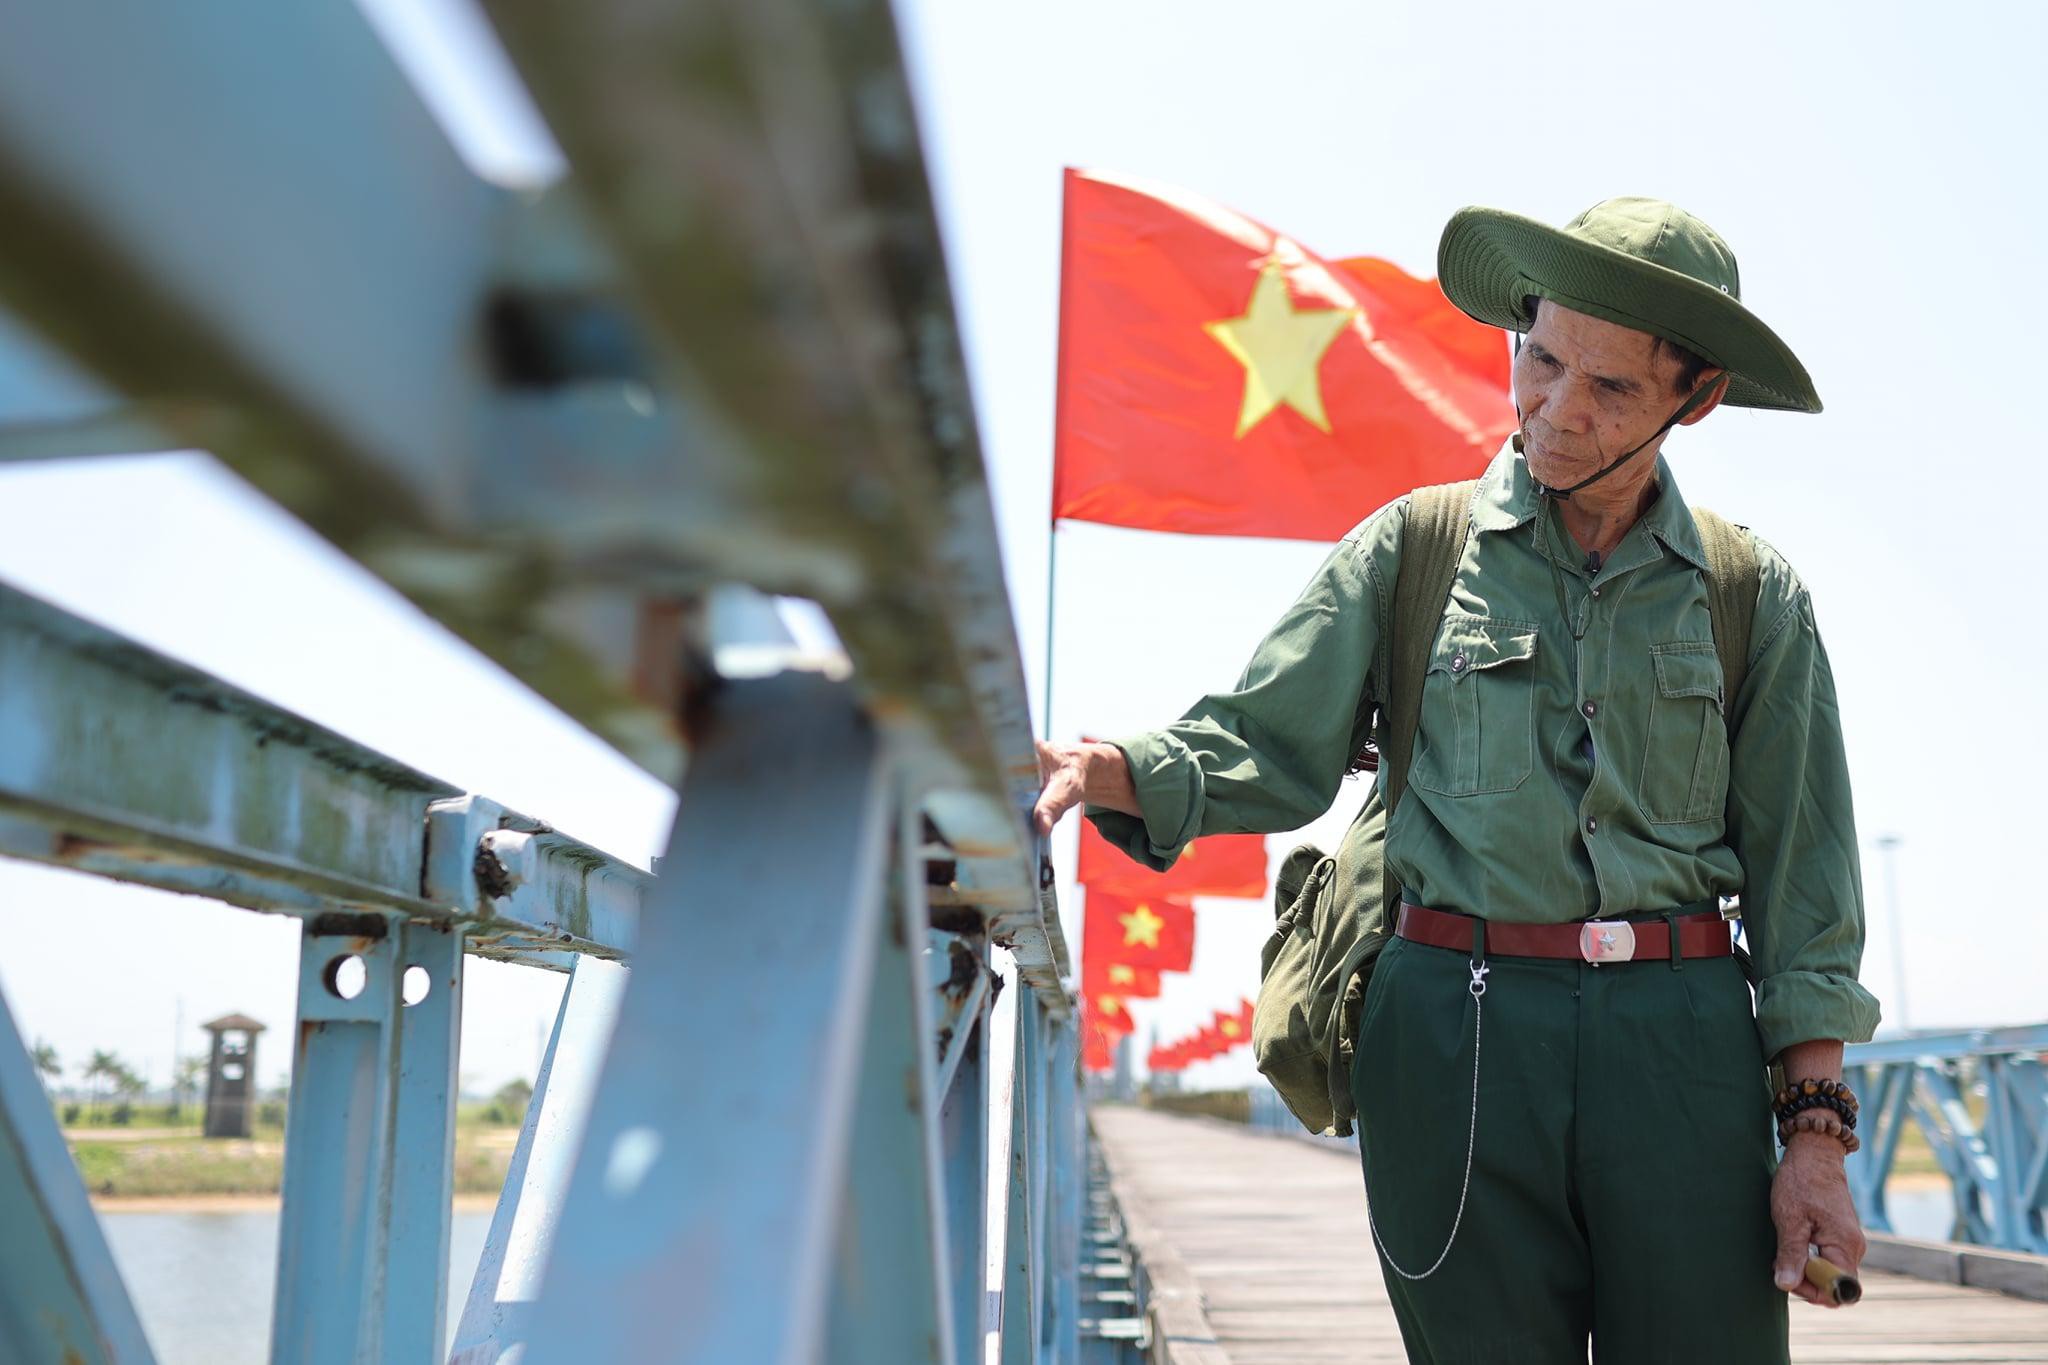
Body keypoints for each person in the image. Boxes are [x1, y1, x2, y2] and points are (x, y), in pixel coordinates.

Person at [1033, 197, 1879, 1363]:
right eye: (1540, 361)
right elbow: (1264, 743)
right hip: (1455, 1036)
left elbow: (1804, 878)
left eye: (1612, 389)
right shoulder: (1412, 552)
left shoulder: (1749, 593)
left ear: (1696, 398)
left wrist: (1815, 1138)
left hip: (1681, 1049)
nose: (1556, 410)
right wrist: (1112, 766)